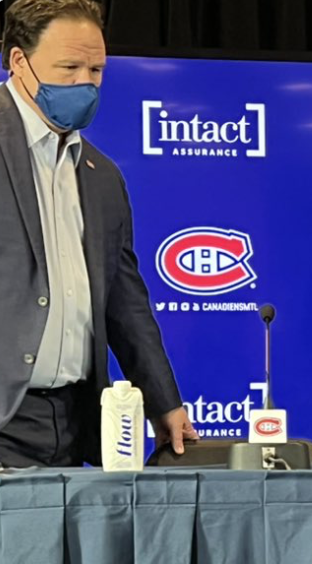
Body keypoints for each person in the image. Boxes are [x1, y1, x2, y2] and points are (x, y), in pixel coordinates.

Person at [0, 0, 196, 467]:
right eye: (69, 67)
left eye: (96, 69)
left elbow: (125, 301)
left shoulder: (103, 174)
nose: (85, 83)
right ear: (18, 62)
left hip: (73, 421)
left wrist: (162, 400)